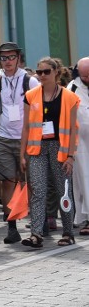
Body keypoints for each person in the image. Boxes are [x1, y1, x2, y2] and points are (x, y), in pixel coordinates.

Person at [20, 57, 80, 248]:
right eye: (39, 72)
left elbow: (72, 130)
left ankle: (68, 232)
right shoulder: (30, 95)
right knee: (38, 190)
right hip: (37, 148)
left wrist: (70, 156)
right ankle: (36, 234)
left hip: (60, 149)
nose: (42, 75)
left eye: (46, 72)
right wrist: (22, 154)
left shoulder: (69, 97)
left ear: (56, 72)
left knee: (64, 191)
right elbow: (26, 127)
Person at [0, 43, 39, 245]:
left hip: (27, 138)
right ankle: (12, 226)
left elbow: (36, 113)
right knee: (7, 181)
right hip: (4, 138)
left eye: (11, 57)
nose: (7, 61)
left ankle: (37, 223)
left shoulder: (30, 81)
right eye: (3, 58)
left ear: (18, 58)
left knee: (31, 182)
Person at [67, 57, 89, 235]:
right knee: (83, 179)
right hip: (80, 143)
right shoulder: (72, 88)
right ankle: (86, 218)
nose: (87, 79)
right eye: (85, 76)